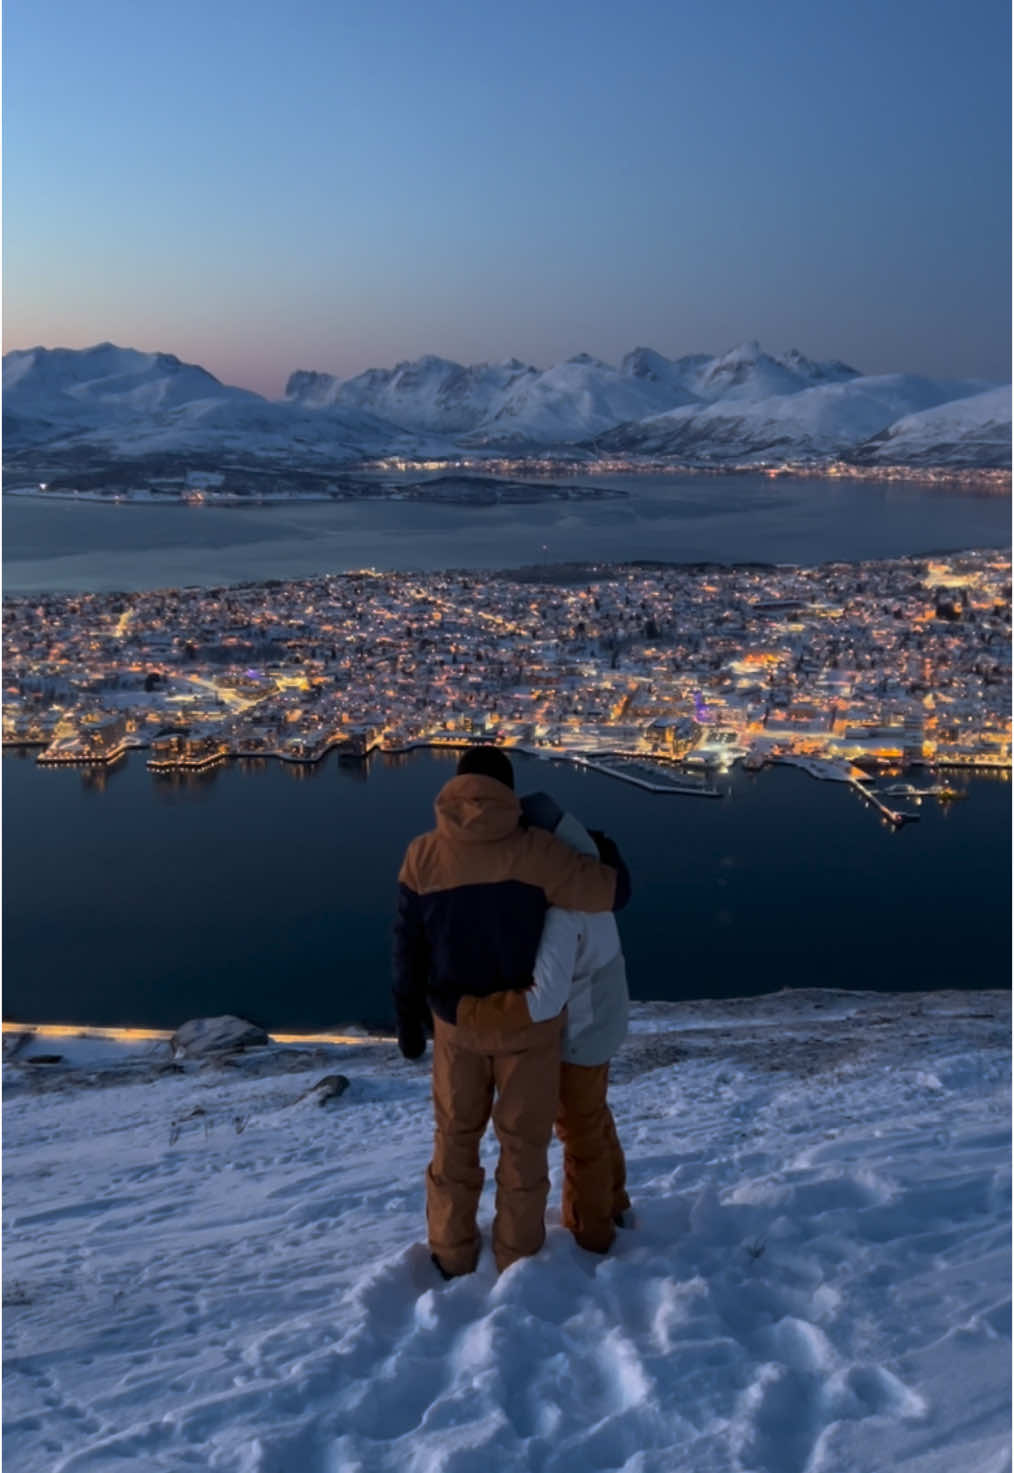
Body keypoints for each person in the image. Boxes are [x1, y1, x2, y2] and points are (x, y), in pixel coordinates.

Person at [393, 745, 630, 1278]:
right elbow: (611, 893)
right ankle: (517, 1258)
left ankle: (451, 1254)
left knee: (455, 1139)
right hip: (528, 1025)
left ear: (457, 788)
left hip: (456, 1022)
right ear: (507, 791)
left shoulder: (422, 855)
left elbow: (406, 945)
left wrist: (407, 1018)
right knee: (523, 1146)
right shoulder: (537, 852)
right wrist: (603, 850)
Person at [521, 790, 631, 1256]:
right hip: (606, 1021)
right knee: (596, 1120)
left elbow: (544, 1001)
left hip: (582, 1034)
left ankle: (592, 1232)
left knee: (579, 1132)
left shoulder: (563, 912)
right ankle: (615, 1201)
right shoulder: (594, 878)